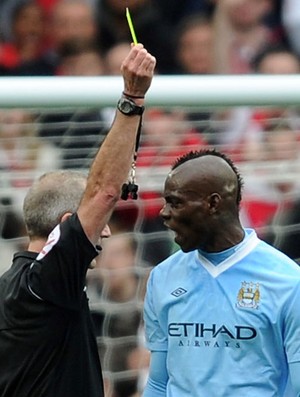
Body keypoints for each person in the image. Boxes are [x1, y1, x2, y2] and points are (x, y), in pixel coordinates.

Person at [0, 43, 156, 397]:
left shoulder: (14, 286)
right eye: (100, 223)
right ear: (67, 224)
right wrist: (132, 98)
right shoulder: (43, 283)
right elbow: (103, 192)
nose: (104, 230)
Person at [142, 148, 300, 397]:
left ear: (213, 203)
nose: (163, 212)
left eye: (176, 202)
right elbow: (159, 383)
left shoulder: (289, 281)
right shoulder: (162, 277)